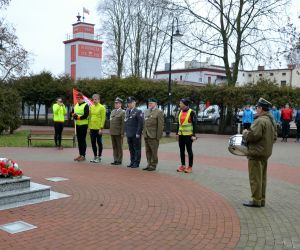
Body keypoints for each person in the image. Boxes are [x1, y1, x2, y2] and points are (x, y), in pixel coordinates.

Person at [242, 98, 277, 207]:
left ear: (261, 108)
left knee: (255, 178)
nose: (256, 109)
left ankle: (256, 200)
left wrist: (245, 133)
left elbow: (253, 135)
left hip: (256, 153)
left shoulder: (260, 120)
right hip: (265, 153)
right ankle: (261, 199)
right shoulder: (271, 120)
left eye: (257, 107)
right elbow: (275, 137)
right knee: (262, 178)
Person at [142, 98, 164, 171]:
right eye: (149, 103)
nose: (150, 104)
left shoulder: (159, 112)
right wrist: (144, 132)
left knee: (154, 151)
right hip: (146, 134)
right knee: (147, 151)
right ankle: (149, 164)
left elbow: (160, 126)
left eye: (151, 103)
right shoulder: (146, 111)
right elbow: (145, 123)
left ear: (155, 104)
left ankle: (153, 165)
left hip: (154, 135)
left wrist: (158, 136)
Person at [176, 99, 197, 174]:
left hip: (188, 135)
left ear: (185, 104)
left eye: (180, 103)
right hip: (181, 134)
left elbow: (194, 125)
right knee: (181, 151)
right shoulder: (180, 111)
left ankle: (190, 167)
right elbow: (178, 124)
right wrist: (177, 133)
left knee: (189, 151)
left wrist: (194, 135)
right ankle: (183, 165)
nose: (179, 104)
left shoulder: (191, 112)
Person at [125, 96, 143, 168]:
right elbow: (126, 122)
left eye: (130, 102)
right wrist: (126, 131)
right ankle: (132, 162)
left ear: (134, 103)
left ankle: (136, 163)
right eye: (128, 103)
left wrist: (138, 133)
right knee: (131, 149)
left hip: (135, 134)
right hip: (129, 133)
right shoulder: (127, 111)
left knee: (137, 149)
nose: (129, 104)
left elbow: (140, 123)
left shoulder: (138, 111)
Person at [88, 94, 106, 163]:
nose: (94, 100)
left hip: (98, 128)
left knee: (99, 142)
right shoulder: (91, 107)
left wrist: (101, 128)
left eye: (96, 99)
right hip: (92, 128)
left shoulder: (102, 107)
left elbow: (103, 118)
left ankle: (99, 157)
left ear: (99, 100)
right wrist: (89, 127)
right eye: (93, 99)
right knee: (93, 142)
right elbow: (90, 117)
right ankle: (95, 156)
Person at [72, 93, 89, 161]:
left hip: (83, 125)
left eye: (79, 99)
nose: (78, 100)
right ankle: (80, 154)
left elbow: (86, 115)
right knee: (79, 140)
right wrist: (73, 115)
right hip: (77, 125)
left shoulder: (85, 105)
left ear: (82, 98)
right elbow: (72, 112)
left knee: (82, 140)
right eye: (77, 98)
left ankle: (83, 155)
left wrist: (77, 117)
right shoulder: (76, 105)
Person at [110, 97, 125, 165]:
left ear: (120, 104)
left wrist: (122, 133)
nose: (116, 104)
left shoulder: (122, 112)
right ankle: (115, 159)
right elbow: (111, 121)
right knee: (114, 146)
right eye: (115, 103)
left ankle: (119, 160)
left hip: (118, 133)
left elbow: (123, 124)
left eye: (117, 103)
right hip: (112, 132)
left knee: (119, 147)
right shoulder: (113, 111)